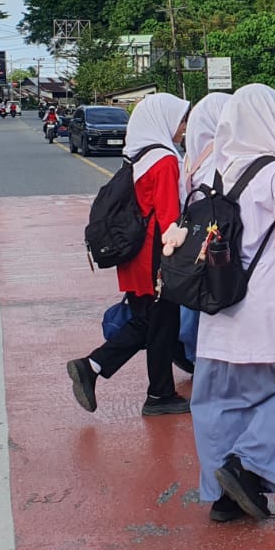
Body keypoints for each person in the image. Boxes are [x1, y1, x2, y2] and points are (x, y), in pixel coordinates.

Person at [190, 84, 275, 524]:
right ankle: (247, 468)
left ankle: (223, 496)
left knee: (218, 402)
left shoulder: (211, 170)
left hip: (217, 308)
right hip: (267, 310)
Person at [66, 93, 193, 416]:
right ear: (163, 121)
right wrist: (176, 257)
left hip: (135, 256)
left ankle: (157, 391)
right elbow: (168, 217)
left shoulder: (138, 154)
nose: (183, 128)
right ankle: (95, 366)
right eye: (180, 121)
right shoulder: (165, 160)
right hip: (156, 255)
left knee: (151, 322)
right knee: (157, 322)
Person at [173, 91, 233, 373]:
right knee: (210, 294)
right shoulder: (218, 158)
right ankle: (199, 354)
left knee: (194, 293)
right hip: (212, 238)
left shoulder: (192, 156)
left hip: (192, 236)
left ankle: (189, 348)